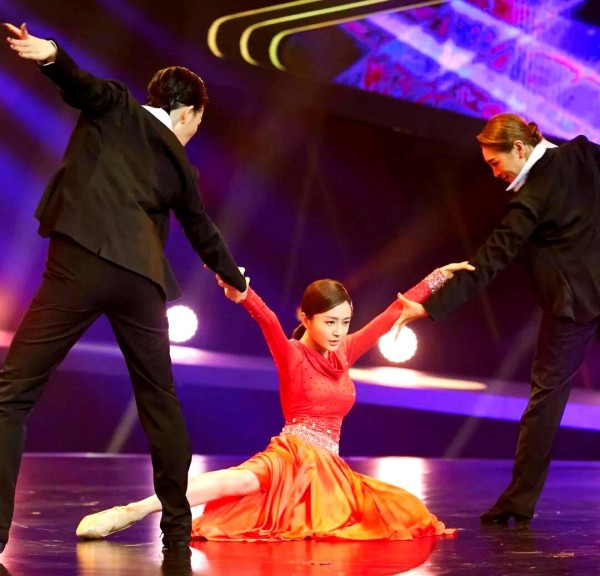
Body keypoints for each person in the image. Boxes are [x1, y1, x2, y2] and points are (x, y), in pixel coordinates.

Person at [0, 23, 247, 554]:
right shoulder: (175, 158)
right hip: (139, 278)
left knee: (13, 394)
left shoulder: (117, 106)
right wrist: (235, 279)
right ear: (187, 113)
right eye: (197, 124)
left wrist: (50, 54)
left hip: (80, 264)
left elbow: (80, 83)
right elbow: (202, 230)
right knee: (160, 401)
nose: (192, 133)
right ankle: (176, 532)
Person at [75, 261, 474, 542]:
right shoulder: (291, 353)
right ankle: (136, 510)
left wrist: (440, 276)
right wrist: (242, 292)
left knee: (399, 512)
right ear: (307, 318)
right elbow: (266, 319)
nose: (338, 331)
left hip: (330, 469)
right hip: (292, 454)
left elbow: (391, 314)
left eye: (344, 322)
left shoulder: (345, 352)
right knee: (238, 480)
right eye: (329, 322)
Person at [401, 113, 600, 524]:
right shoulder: (582, 152)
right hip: (576, 302)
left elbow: (488, 261)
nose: (494, 173)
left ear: (520, 149)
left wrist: (429, 306)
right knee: (545, 400)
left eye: (495, 162)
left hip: (573, 307)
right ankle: (518, 501)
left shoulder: (530, 199)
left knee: (545, 400)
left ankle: (518, 503)